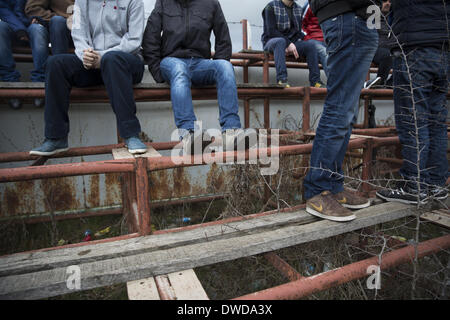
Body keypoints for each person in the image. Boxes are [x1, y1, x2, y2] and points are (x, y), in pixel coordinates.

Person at [30, 0, 148, 156]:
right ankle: (56, 137)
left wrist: (102, 57)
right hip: (94, 62)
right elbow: (79, 34)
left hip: (127, 62)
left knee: (111, 59)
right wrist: (86, 56)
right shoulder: (82, 1)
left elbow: (134, 40)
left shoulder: (133, 1)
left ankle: (131, 134)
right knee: (55, 63)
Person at [303, 0, 378, 222]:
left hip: (361, 18)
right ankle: (318, 190)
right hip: (348, 15)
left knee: (347, 111)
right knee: (340, 108)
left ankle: (333, 186)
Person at [143, 0, 245, 154]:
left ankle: (231, 131)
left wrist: (219, 60)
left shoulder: (211, 3)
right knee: (179, 69)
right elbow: (151, 37)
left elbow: (223, 39)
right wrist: (158, 73)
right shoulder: (164, 2)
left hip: (199, 63)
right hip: (171, 61)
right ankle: (189, 134)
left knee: (225, 66)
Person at [376, 0, 449, 204]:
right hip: (443, 47)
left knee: (413, 120)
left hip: (415, 45)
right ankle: (435, 184)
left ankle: (414, 185)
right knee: (436, 120)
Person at [261, 0, 325, 88]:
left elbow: (298, 32)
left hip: (291, 43)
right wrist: (288, 43)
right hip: (271, 41)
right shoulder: (270, 6)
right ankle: (282, 79)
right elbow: (271, 31)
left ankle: (315, 81)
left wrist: (291, 44)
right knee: (280, 42)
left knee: (310, 45)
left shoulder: (298, 9)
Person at [0, 0, 47, 109]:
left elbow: (43, 7)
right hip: (10, 25)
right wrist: (19, 28)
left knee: (38, 30)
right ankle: (10, 82)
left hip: (31, 24)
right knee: (0, 28)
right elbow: (3, 9)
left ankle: (39, 82)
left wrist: (39, 19)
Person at [364, 0, 393, 89]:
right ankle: (380, 82)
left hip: (391, 48)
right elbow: (369, 34)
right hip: (375, 47)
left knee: (404, 56)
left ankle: (391, 83)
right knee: (387, 55)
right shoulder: (373, 15)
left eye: (390, 1)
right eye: (384, 1)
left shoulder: (395, 16)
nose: (387, 3)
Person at [301, 2, 328, 79]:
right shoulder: (310, 4)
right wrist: (306, 36)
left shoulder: (333, 4)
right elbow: (300, 23)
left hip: (329, 40)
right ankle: (336, 85)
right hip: (312, 39)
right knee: (324, 52)